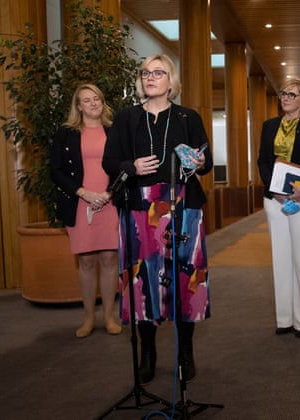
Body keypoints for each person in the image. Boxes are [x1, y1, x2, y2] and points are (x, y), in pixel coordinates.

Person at [102, 54, 213, 384]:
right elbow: (110, 161)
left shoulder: (188, 117)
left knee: (184, 280)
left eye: (158, 72)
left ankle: (185, 354)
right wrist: (130, 167)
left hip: (183, 207)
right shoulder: (127, 118)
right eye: (145, 73)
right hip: (140, 209)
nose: (150, 77)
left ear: (171, 81)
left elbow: (205, 162)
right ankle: (148, 354)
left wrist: (198, 160)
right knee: (144, 283)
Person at [50, 83, 122, 339]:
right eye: (87, 100)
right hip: (80, 202)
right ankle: (89, 317)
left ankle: (109, 317)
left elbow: (125, 167)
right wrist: (82, 192)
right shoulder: (66, 133)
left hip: (110, 201)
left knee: (109, 259)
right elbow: (55, 170)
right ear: (78, 106)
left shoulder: (115, 131)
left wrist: (109, 193)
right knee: (87, 261)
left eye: (97, 99)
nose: (93, 103)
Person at [257, 78, 300, 338]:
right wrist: (272, 189)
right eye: (283, 93)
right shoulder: (269, 126)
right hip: (275, 200)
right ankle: (285, 319)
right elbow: (263, 161)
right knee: (281, 259)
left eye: (292, 94)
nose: (285, 98)